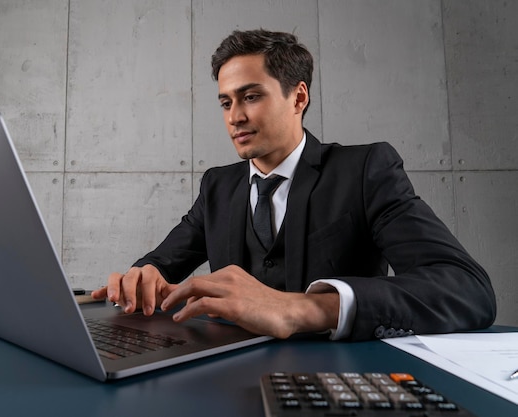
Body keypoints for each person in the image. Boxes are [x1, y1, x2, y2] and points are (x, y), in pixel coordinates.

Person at [91, 29, 496, 341]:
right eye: (226, 102)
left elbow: (468, 290)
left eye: (250, 96)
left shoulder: (365, 170)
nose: (234, 117)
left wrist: (304, 309)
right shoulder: (218, 185)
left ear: (298, 97)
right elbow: (162, 263)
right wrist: (141, 276)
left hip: (338, 383)